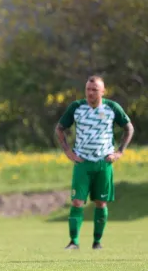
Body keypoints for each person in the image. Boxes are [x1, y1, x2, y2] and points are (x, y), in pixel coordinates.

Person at [55, 75, 134, 250]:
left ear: (103, 91)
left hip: (103, 163)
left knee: (101, 202)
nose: (90, 93)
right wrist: (68, 151)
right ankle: (73, 241)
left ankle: (97, 242)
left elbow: (129, 127)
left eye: (94, 90)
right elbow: (60, 128)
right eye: (88, 90)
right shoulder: (76, 107)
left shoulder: (112, 108)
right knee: (77, 201)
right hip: (82, 162)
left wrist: (119, 152)